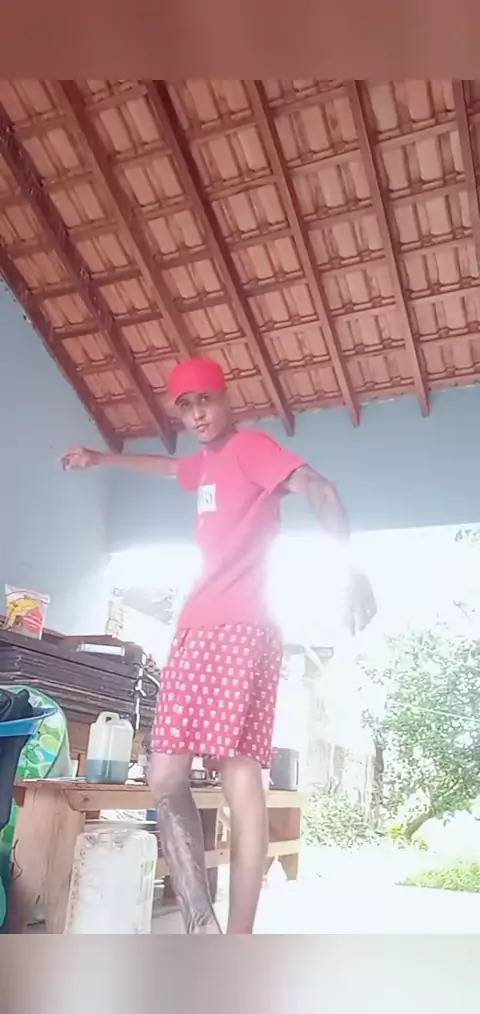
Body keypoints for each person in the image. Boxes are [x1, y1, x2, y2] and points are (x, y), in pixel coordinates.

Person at [62, 356, 376, 934]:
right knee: (165, 775)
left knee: (237, 773)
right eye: (185, 406)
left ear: (226, 398)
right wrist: (101, 458)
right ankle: (203, 925)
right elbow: (168, 467)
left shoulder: (250, 447)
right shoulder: (205, 464)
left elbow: (319, 487)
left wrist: (349, 568)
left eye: (205, 400)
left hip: (238, 627)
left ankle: (237, 938)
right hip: (197, 630)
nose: (197, 414)